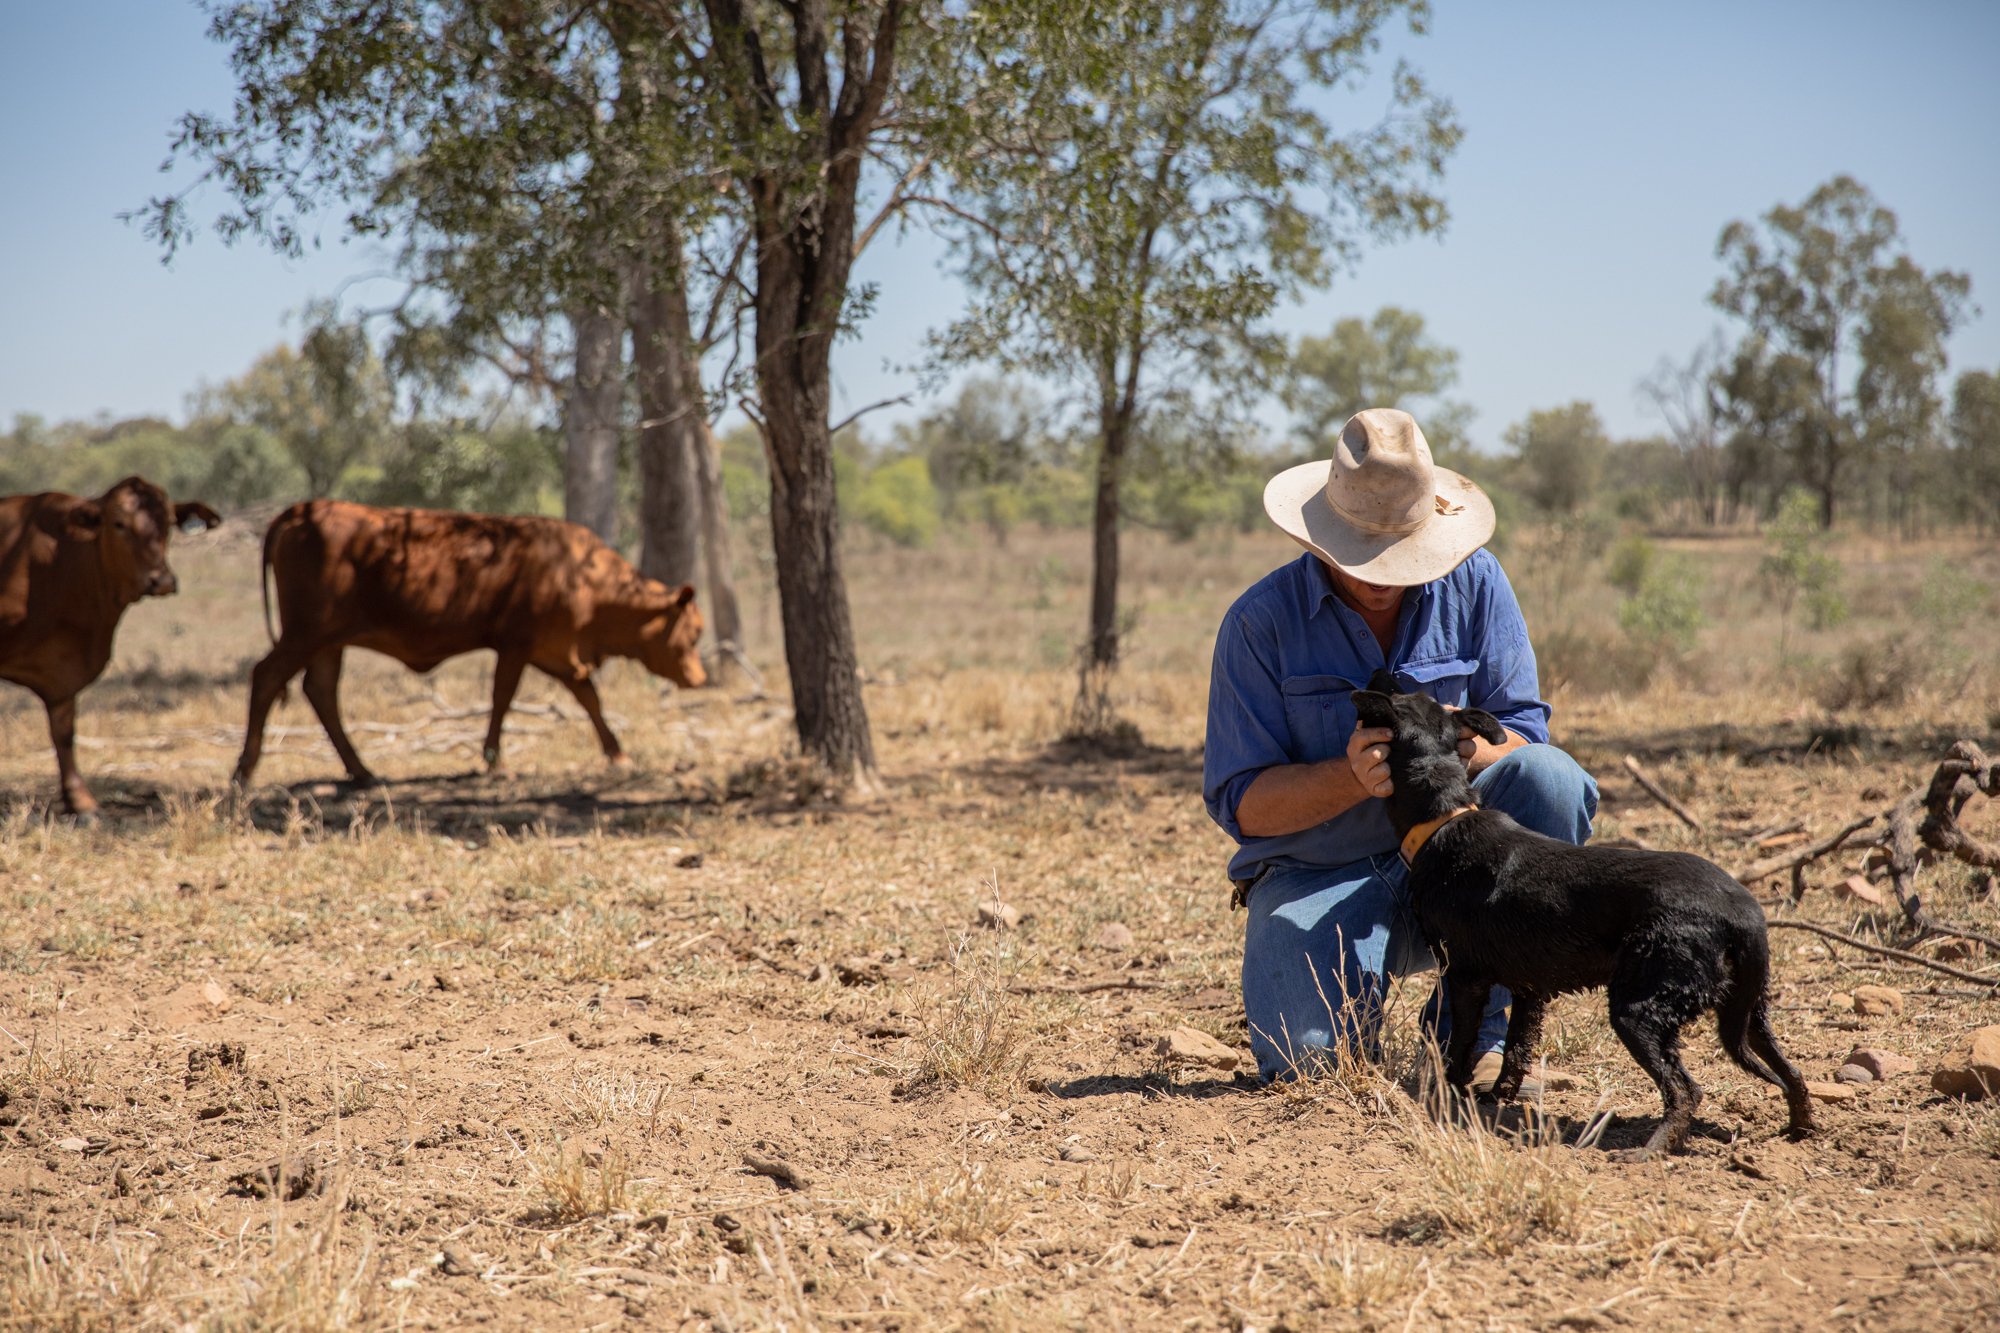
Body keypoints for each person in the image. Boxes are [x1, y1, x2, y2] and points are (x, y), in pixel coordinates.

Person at [1203, 407, 1598, 1085]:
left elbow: (1529, 748)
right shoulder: (1258, 624)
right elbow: (1244, 806)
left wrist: (1449, 746)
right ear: (1322, 531)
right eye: (1362, 553)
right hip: (1319, 875)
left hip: (1463, 865)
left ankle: (1473, 1034)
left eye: (1399, 555)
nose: (1382, 576)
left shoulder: (1476, 585)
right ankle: (1354, 1008)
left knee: (1554, 781)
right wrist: (1350, 777)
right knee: (1310, 1065)